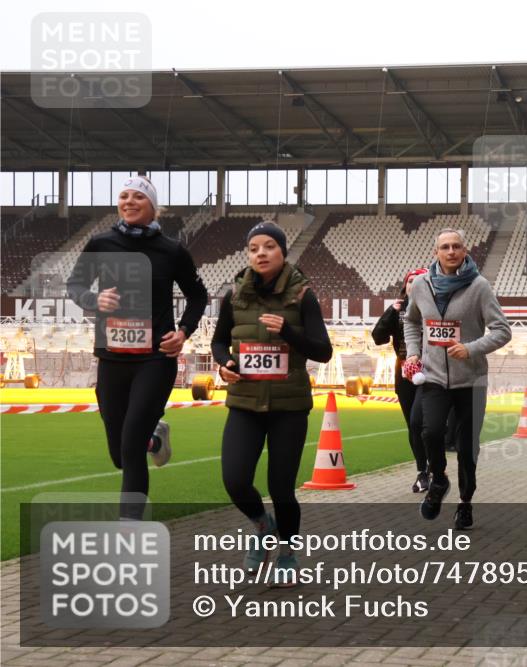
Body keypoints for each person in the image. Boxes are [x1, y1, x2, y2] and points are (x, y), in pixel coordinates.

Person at [67, 176, 208, 520]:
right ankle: (154, 438)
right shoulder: (100, 243)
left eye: (138, 197)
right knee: (120, 454)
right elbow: (75, 285)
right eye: (124, 196)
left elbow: (197, 296)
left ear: (153, 206)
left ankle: (128, 528)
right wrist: (94, 299)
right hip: (112, 359)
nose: (129, 201)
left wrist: (183, 332)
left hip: (155, 359)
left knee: (130, 447)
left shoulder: (172, 250)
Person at [212, 221, 332, 584]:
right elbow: (219, 341)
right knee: (235, 481)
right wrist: (224, 363)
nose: (260, 253)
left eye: (268, 247)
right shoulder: (234, 295)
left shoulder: (303, 295)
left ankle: (288, 553)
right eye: (254, 249)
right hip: (244, 403)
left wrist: (288, 331)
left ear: (282, 251)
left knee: (281, 489)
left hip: (288, 407)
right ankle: (264, 527)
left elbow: (323, 351)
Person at [404, 228, 511, 529]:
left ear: (465, 251)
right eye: (445, 247)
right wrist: (413, 353)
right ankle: (438, 480)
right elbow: (411, 321)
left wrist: (470, 348)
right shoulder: (421, 285)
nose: (451, 251)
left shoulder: (479, 286)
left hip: (471, 380)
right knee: (430, 433)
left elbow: (502, 331)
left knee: (467, 448)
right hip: (434, 377)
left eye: (456, 246)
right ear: (436, 252)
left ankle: (465, 502)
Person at [372, 267, 430, 493]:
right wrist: (390, 312)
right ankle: (422, 472)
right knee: (413, 426)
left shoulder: (435, 307)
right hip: (404, 373)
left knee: (422, 423)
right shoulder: (398, 311)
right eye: (411, 281)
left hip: (431, 374)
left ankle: (434, 467)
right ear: (405, 286)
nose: (414, 284)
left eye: (420, 279)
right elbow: (378, 337)